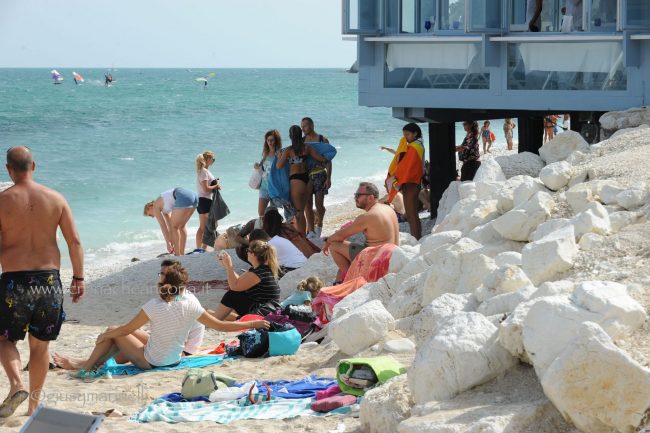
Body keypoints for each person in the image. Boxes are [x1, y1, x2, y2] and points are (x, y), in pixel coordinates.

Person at [53, 264, 269, 374]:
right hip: (173, 358)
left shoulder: (155, 305)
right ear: (184, 285)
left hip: (153, 361)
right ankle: (86, 363)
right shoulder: (192, 301)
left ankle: (86, 367)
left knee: (113, 332)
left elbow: (126, 330)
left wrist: (105, 335)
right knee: (115, 330)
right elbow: (221, 326)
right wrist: (254, 323)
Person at [0, 146, 85, 417]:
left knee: (4, 338)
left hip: (14, 281)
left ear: (9, 169)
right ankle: (33, 407)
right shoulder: (56, 198)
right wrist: (78, 277)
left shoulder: (2, 201)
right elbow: (74, 242)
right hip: (48, 281)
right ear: (33, 166)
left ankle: (16, 384)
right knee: (40, 345)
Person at [323, 182, 400, 281]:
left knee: (333, 245)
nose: (355, 198)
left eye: (358, 195)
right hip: (393, 256)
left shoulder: (368, 216)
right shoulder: (388, 208)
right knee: (345, 258)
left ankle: (350, 279)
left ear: (370, 197)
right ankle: (344, 277)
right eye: (355, 195)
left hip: (377, 260)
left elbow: (340, 236)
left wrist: (327, 241)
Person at [276, 125, 327, 234]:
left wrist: (280, 156)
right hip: (307, 179)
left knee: (299, 213)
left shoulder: (288, 150)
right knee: (305, 208)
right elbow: (322, 159)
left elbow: (279, 166)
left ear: (290, 136)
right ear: (301, 134)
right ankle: (310, 233)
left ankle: (303, 237)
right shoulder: (307, 148)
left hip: (296, 180)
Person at [213, 240, 281, 320]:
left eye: (248, 250)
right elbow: (239, 281)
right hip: (264, 309)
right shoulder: (260, 269)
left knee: (232, 295)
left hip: (264, 312)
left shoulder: (260, 272)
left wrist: (229, 267)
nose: (247, 253)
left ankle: (216, 319)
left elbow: (234, 286)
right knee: (235, 294)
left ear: (253, 254)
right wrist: (227, 266)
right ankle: (217, 317)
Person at [384, 123, 425, 240]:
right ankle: (417, 237)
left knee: (411, 214)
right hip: (413, 183)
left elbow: (406, 167)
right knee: (412, 214)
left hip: (411, 183)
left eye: (407, 134)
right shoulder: (417, 145)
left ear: (415, 133)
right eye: (404, 134)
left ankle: (417, 239)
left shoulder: (414, 147)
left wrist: (398, 181)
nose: (405, 137)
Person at [143, 188, 198, 256]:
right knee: (181, 226)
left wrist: (167, 244)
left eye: (150, 215)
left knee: (175, 227)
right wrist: (171, 242)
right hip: (194, 196)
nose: (152, 217)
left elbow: (163, 226)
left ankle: (178, 254)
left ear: (150, 207)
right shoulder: (164, 210)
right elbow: (170, 227)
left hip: (182, 196)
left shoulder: (155, 206)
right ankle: (181, 253)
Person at [301, 117, 331, 239]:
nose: (303, 129)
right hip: (307, 176)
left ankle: (319, 225)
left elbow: (328, 160)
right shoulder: (302, 141)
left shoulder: (322, 140)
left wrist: (328, 178)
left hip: (320, 174)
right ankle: (311, 231)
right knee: (307, 204)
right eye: (302, 127)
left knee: (319, 205)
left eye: (305, 126)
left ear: (312, 125)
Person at [195, 151, 220, 250]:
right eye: (213, 159)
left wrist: (214, 184)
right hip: (206, 201)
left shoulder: (202, 171)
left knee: (203, 227)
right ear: (208, 159)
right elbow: (205, 189)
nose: (213, 161)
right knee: (213, 225)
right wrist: (216, 185)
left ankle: (200, 249)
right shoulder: (204, 171)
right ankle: (204, 248)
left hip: (201, 201)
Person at [256, 130, 282, 218]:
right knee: (261, 213)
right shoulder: (266, 153)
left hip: (275, 188)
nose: (270, 142)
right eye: (268, 140)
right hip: (264, 187)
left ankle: (274, 227)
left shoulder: (279, 154)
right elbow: (261, 166)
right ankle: (264, 226)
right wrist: (256, 166)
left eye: (272, 140)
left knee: (273, 214)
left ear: (276, 141)